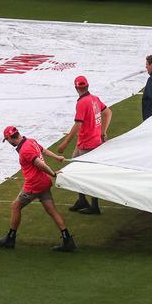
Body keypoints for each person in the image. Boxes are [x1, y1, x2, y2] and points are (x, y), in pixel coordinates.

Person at [0, 126, 76, 252]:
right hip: (44, 182)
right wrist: (57, 157)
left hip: (34, 185)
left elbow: (39, 164)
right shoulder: (31, 141)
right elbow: (44, 150)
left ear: (10, 138)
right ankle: (67, 239)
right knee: (52, 210)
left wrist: (53, 174)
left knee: (16, 206)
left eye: (7, 139)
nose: (8, 142)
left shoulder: (25, 150)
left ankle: (10, 239)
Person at [56, 75, 112, 215]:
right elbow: (108, 113)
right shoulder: (94, 98)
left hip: (87, 144)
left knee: (86, 174)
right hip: (91, 142)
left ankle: (94, 205)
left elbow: (78, 124)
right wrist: (103, 131)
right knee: (76, 171)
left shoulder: (82, 102)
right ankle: (82, 200)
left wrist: (64, 143)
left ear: (76, 88)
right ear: (87, 86)